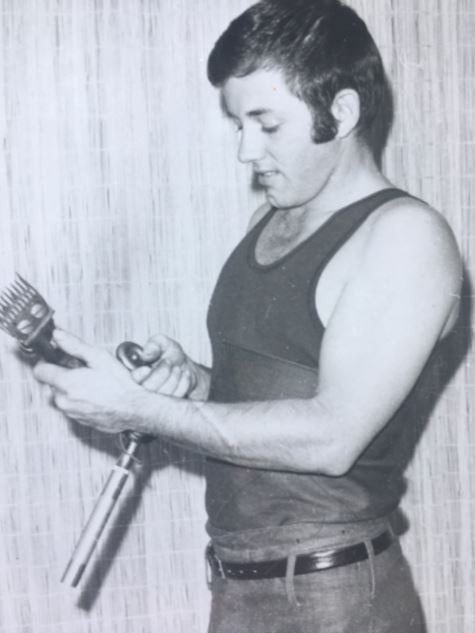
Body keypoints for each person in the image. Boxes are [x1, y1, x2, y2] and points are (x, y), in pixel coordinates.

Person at [34, 1, 462, 631]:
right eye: (238, 124)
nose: (245, 151)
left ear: (340, 112)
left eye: (265, 124)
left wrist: (143, 411)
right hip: (240, 582)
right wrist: (192, 383)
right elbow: (282, 397)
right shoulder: (271, 219)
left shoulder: (405, 237)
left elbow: (332, 436)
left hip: (332, 593)